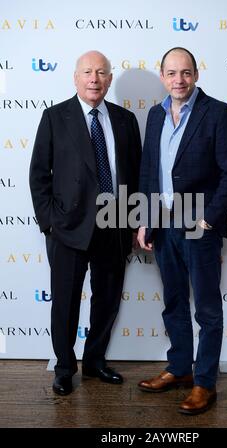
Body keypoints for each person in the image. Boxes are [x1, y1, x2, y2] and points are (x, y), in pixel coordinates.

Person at [137, 47, 227, 414]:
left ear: (196, 75)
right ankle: (180, 368)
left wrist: (209, 218)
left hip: (200, 226)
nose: (178, 80)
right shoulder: (154, 115)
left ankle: (204, 383)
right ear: (162, 76)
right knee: (174, 302)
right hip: (164, 225)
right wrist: (145, 218)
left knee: (208, 309)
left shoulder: (218, 113)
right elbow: (149, 171)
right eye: (171, 73)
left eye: (185, 73)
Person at [30, 51, 141, 395]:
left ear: (109, 79)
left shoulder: (125, 120)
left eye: (101, 73)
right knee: (65, 303)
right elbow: (38, 174)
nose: (94, 78)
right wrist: (50, 222)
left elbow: (135, 176)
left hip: (115, 225)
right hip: (68, 229)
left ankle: (95, 361)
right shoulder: (54, 117)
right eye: (88, 72)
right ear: (75, 77)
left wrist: (134, 222)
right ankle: (64, 367)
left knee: (107, 300)